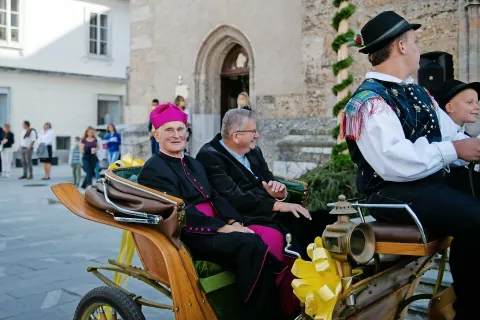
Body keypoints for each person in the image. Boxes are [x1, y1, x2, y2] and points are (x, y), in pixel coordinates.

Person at [342, 11, 480, 319]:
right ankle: (468, 309)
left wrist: (467, 145)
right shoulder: (368, 101)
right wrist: (453, 149)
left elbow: (450, 134)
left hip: (428, 184)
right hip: (392, 194)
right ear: (401, 46)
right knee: (474, 219)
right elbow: (395, 161)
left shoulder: (417, 92)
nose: (419, 49)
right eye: (415, 42)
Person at [138, 103, 297, 320]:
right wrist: (222, 228)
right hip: (190, 234)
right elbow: (176, 211)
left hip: (215, 225)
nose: (176, 135)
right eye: (169, 130)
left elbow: (216, 197)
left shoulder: (193, 163)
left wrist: (233, 222)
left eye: (180, 129)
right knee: (250, 245)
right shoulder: (152, 170)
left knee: (266, 236)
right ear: (156, 135)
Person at [196, 108, 336, 258]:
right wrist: (279, 205)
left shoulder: (254, 151)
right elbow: (235, 197)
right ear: (236, 136)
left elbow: (270, 181)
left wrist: (281, 195)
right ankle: (304, 275)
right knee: (301, 226)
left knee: (328, 219)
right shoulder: (210, 157)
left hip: (269, 209)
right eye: (253, 131)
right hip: (248, 216)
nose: (257, 135)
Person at [435, 79, 480, 195]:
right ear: (450, 107)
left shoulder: (465, 135)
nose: (477, 107)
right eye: (470, 102)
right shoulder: (438, 133)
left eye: (477, 102)